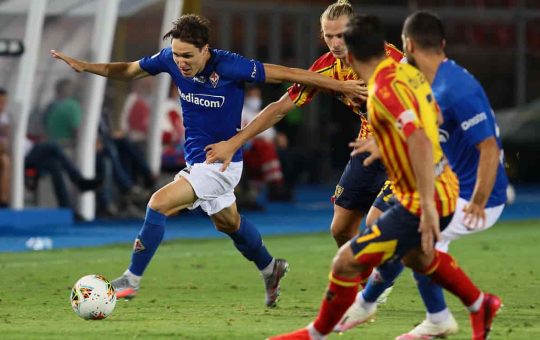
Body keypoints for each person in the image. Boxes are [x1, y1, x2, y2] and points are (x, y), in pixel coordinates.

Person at [51, 14, 364, 306]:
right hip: (197, 162)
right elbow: (129, 70)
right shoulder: (169, 60)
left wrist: (341, 85)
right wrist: (86, 66)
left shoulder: (230, 66)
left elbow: (290, 74)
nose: (181, 62)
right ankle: (271, 268)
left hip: (223, 162)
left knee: (158, 203)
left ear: (205, 50)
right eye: (176, 55)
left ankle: (131, 279)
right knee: (229, 224)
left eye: (188, 56)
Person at [269, 15, 500, 340]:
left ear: (349, 57)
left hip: (423, 196)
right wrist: (385, 141)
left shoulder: (382, 89)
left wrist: (427, 205)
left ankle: (316, 333)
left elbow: (418, 139)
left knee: (345, 263)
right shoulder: (407, 72)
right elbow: (431, 114)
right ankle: (478, 304)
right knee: (418, 256)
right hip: (440, 185)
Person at [337, 11, 508, 339]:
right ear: (441, 43)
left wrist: (478, 201)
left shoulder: (457, 88)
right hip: (447, 182)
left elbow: (488, 148)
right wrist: (384, 141)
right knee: (405, 238)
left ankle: (369, 301)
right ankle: (440, 315)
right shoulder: (422, 80)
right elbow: (417, 127)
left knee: (412, 238)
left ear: (408, 44)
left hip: (474, 196)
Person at [205, 0, 404, 249]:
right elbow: (279, 108)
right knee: (340, 229)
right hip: (367, 147)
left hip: (401, 146)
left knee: (377, 223)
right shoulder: (326, 68)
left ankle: (381, 283)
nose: (335, 43)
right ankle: (365, 281)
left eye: (341, 35)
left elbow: (423, 103)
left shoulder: (390, 60)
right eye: (329, 36)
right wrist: (234, 143)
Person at [241, 85, 292, 201]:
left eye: (257, 96)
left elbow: (272, 134)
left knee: (285, 153)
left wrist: (279, 138)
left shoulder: (262, 112)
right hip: (247, 148)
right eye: (252, 96)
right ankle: (275, 185)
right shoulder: (241, 111)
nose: (255, 99)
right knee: (264, 147)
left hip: (265, 148)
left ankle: (280, 187)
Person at [43, 78, 82, 145]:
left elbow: (44, 124)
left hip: (50, 142)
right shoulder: (73, 107)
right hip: (66, 144)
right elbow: (76, 128)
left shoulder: (51, 105)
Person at [0, 88, 11, 207]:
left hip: (7, 151)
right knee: (5, 161)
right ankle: (3, 199)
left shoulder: (7, 117)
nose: (2, 105)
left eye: (4, 102)